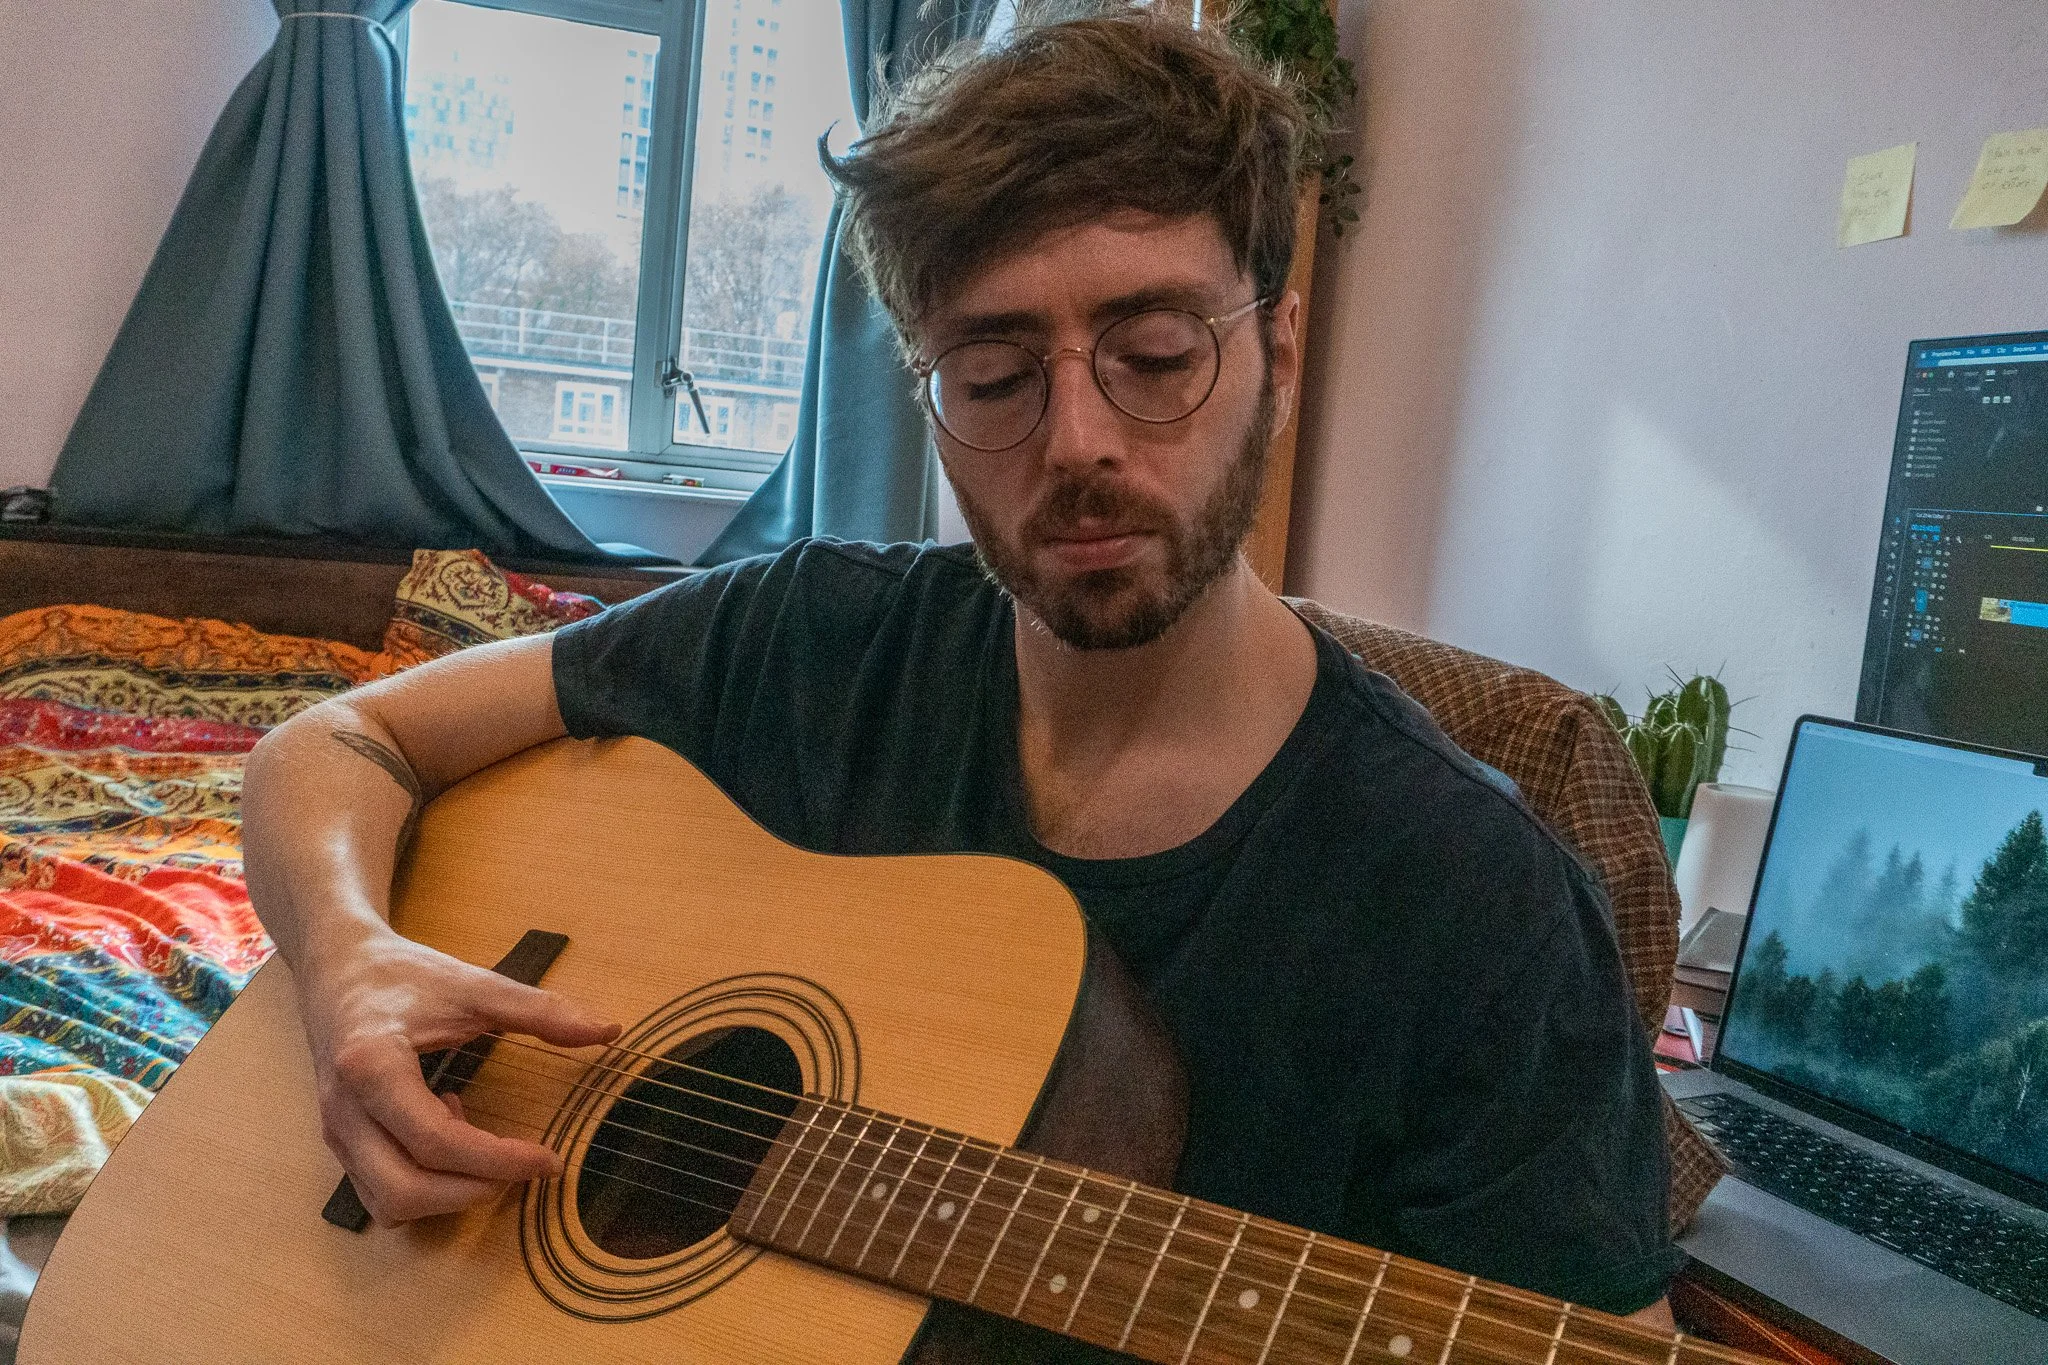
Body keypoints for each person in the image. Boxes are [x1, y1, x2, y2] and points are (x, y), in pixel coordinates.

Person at [242, 5, 1684, 1340]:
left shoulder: (1481, 914)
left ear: (1280, 354)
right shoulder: (807, 644)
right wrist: (350, 966)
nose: (1077, 442)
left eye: (1158, 353)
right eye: (994, 377)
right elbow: (337, 746)